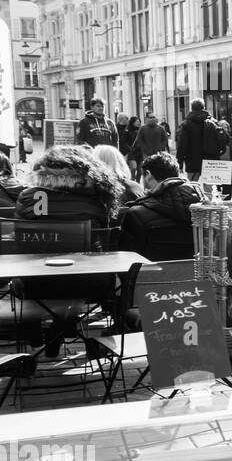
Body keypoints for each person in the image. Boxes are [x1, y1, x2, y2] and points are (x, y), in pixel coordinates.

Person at [15, 145, 128, 355]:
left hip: (37, 283)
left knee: (32, 279)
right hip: (89, 283)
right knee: (78, 275)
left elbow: (20, 244)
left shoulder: (28, 197)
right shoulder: (97, 200)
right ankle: (63, 327)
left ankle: (41, 336)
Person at [118, 151, 204, 261]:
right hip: (197, 275)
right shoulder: (205, 211)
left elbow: (126, 259)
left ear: (148, 175)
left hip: (149, 276)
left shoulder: (136, 214)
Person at [175, 99, 225, 181]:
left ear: (191, 108)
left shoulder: (186, 124)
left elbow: (182, 144)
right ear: (204, 107)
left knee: (192, 184)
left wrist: (180, 162)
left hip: (192, 159)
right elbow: (222, 139)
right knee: (209, 186)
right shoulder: (213, 122)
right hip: (210, 158)